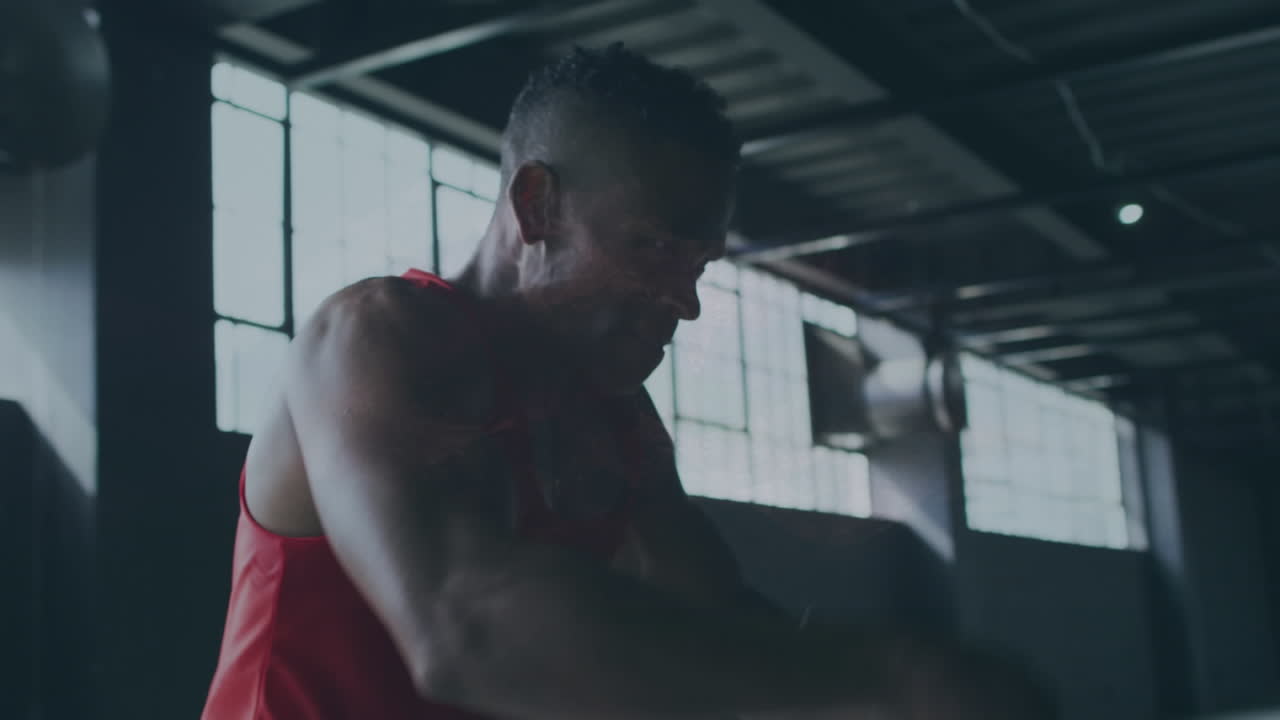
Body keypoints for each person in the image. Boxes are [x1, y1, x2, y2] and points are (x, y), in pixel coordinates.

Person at [202, 44, 1053, 720]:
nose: (682, 301)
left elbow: (715, 623)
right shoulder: (378, 337)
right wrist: (898, 676)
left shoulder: (612, 414)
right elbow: (464, 629)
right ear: (536, 206)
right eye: (651, 246)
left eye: (699, 264)